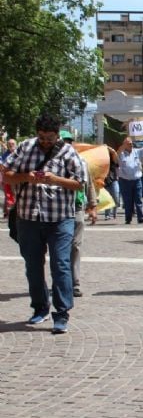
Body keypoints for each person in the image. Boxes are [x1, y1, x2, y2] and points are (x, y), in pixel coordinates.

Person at [2, 115, 85, 334]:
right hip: (28, 218)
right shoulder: (25, 148)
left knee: (61, 265)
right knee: (33, 266)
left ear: (57, 134)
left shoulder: (68, 152)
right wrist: (26, 177)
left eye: (49, 138)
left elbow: (80, 184)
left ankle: (62, 313)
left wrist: (55, 179)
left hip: (60, 219)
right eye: (41, 137)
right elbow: (7, 176)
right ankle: (40, 307)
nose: (45, 141)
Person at [61, 131, 97, 298]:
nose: (66, 145)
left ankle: (75, 283)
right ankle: (61, 280)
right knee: (59, 248)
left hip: (76, 208)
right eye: (63, 142)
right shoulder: (53, 163)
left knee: (75, 246)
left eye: (69, 142)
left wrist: (93, 205)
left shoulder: (81, 162)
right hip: (58, 210)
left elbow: (89, 184)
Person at [117, 136, 143, 224]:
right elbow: (118, 152)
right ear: (124, 145)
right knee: (128, 201)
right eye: (129, 143)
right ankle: (128, 218)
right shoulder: (121, 153)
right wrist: (123, 145)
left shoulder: (136, 151)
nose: (131, 145)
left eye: (131, 143)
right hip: (125, 180)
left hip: (137, 179)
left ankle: (141, 218)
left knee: (138, 199)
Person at [104, 145, 120, 220]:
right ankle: (107, 214)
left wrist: (108, 148)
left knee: (116, 196)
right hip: (105, 181)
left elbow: (115, 154)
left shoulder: (112, 159)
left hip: (114, 180)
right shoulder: (102, 159)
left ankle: (114, 212)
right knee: (107, 198)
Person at [2, 138, 16, 218]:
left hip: (17, 178)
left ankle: (11, 211)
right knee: (8, 195)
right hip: (7, 178)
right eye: (9, 144)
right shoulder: (4, 155)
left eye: (13, 144)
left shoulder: (19, 153)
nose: (11, 146)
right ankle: (8, 212)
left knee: (15, 195)